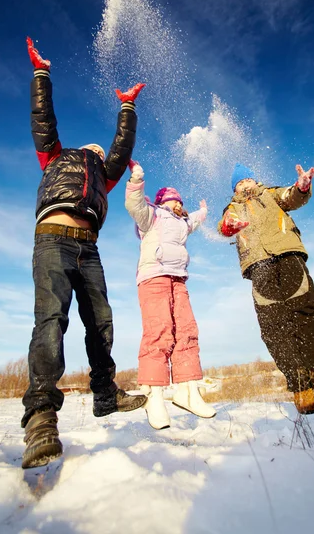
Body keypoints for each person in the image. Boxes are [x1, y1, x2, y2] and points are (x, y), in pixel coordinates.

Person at [21, 37, 147, 469]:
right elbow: (44, 121)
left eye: (99, 151)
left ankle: (106, 395)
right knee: (52, 320)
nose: (95, 152)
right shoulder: (54, 157)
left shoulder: (105, 176)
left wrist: (127, 107)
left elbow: (121, 148)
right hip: (53, 240)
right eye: (91, 149)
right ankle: (41, 415)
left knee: (102, 323)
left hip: (88, 250)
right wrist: (42, 74)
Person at [217, 162, 314, 415]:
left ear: (255, 181)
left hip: (287, 256)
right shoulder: (232, 208)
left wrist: (302, 186)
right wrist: (229, 227)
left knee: (307, 315)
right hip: (258, 266)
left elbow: (292, 197)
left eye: (247, 180)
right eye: (239, 183)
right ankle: (300, 386)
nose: (245, 185)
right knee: (274, 328)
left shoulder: (271, 195)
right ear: (235, 189)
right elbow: (224, 227)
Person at [124, 160, 216, 429]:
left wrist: (202, 212)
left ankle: (187, 391)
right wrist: (137, 180)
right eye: (173, 200)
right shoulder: (151, 216)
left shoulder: (182, 223)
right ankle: (153, 395)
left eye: (179, 201)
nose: (177, 203)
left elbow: (194, 221)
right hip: (153, 278)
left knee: (187, 330)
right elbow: (134, 204)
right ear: (163, 201)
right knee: (159, 331)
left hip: (179, 280)